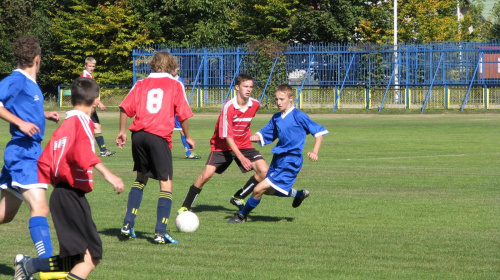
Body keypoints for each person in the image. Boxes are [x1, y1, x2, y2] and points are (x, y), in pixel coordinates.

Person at [13, 77, 125, 280]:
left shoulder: (64, 126)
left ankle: (29, 265)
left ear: (71, 100)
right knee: (91, 256)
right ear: (95, 102)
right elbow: (82, 153)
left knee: (77, 258)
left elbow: (46, 161)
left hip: (62, 195)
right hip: (70, 195)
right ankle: (29, 265)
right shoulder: (82, 123)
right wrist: (109, 175)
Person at [117, 51, 195, 244]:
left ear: (152, 64)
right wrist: (188, 136)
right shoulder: (175, 84)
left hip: (139, 136)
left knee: (141, 178)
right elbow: (183, 114)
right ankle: (160, 232)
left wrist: (122, 131)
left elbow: (124, 107)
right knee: (166, 183)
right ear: (171, 65)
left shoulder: (141, 83)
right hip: (158, 136)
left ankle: (128, 223)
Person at [228, 84, 329, 223]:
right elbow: (267, 132)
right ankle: (298, 194)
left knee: (258, 189)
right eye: (276, 99)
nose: (278, 102)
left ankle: (241, 216)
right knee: (268, 191)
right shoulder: (276, 117)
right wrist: (257, 136)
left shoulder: (298, 115)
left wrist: (315, 152)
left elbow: (319, 133)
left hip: (291, 161)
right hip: (277, 160)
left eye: (282, 99)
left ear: (290, 98)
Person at [0, 36, 59, 262]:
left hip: (23, 151)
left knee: (5, 215)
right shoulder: (17, 80)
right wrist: (20, 123)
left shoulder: (28, 83)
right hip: (24, 153)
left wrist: (43, 115)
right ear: (37, 58)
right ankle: (47, 265)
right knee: (41, 208)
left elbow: (20, 108)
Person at [177, 73, 268, 214]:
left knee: (264, 172)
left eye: (250, 87)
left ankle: (239, 196)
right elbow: (227, 136)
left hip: (244, 144)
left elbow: (246, 124)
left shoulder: (255, 105)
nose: (248, 89)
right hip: (222, 146)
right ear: (237, 87)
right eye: (245, 86)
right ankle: (186, 206)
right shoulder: (228, 107)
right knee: (206, 175)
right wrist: (241, 157)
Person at [81, 56, 116, 157]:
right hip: (86, 106)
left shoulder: (88, 76)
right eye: (90, 66)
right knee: (86, 128)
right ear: (85, 66)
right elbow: (87, 92)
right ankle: (80, 149)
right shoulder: (85, 77)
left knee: (97, 126)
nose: (91, 68)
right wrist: (99, 102)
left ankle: (103, 150)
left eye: (93, 66)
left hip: (90, 105)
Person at [173, 67, 200, 159]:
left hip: (176, 111)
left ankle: (188, 153)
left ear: (178, 68)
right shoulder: (167, 79)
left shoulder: (180, 80)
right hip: (167, 110)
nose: (172, 70)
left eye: (174, 68)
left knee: (182, 131)